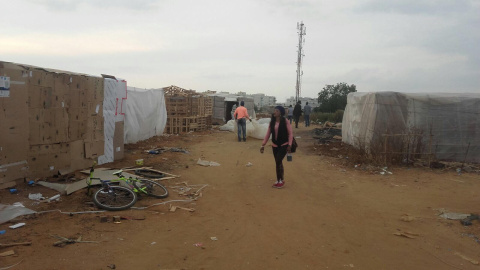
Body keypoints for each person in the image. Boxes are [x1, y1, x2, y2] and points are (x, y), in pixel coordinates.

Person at [260, 106, 293, 189]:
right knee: (278, 162)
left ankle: (279, 181)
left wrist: (289, 145)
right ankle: (281, 179)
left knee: (278, 161)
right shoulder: (272, 122)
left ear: (280, 113)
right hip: (275, 145)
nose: (275, 112)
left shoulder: (285, 121)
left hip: (284, 145)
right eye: (274, 111)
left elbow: (290, 134)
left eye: (277, 111)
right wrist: (263, 144)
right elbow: (268, 134)